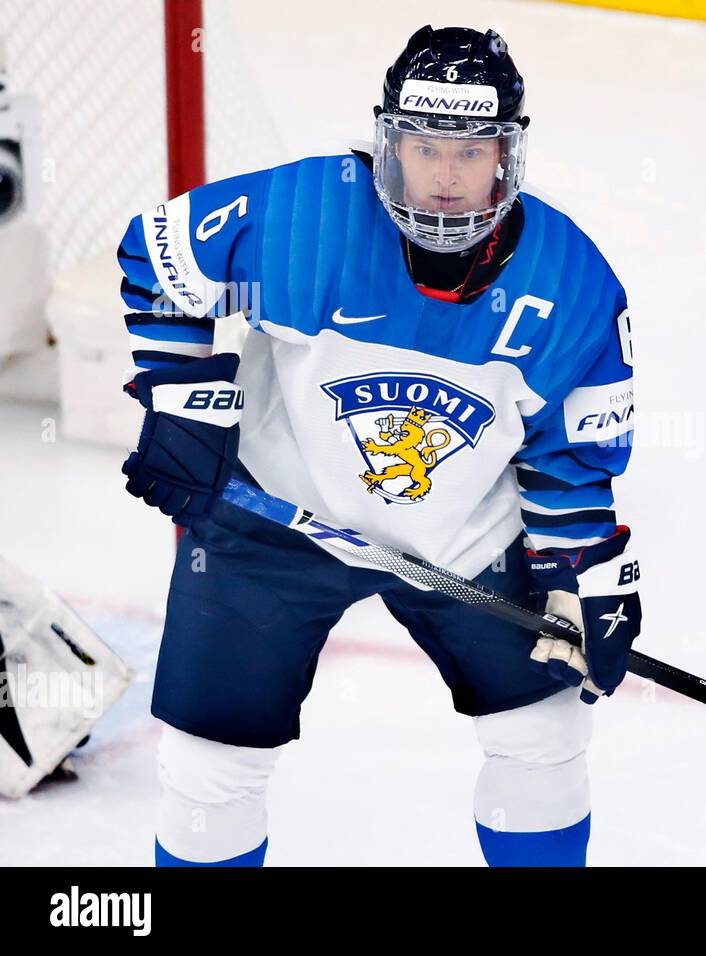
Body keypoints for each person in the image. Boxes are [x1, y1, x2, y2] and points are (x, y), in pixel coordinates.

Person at [116, 25, 640, 867]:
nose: (444, 178)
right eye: (424, 147)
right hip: (275, 520)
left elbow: (567, 457)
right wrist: (186, 402)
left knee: (544, 736)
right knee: (209, 765)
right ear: (387, 144)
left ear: (509, 157)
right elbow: (158, 257)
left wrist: (584, 577)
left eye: (470, 153)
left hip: (467, 536)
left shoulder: (572, 282)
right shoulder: (304, 216)